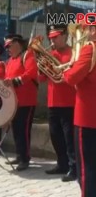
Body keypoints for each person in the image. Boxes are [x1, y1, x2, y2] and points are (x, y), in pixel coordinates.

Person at [62, 21, 96, 197]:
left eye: (90, 29)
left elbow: (72, 78)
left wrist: (68, 70)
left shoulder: (90, 49)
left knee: (87, 168)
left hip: (88, 117)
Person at [40, 25, 77, 182]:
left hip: (68, 102)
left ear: (64, 36)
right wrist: (40, 68)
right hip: (52, 102)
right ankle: (61, 164)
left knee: (69, 137)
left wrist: (61, 70)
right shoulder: (50, 54)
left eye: (55, 37)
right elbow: (42, 79)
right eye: (51, 38)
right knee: (55, 136)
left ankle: (73, 167)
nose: (52, 40)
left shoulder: (73, 53)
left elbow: (73, 74)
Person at [3, 34, 38, 171]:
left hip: (26, 100)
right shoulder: (10, 61)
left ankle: (25, 158)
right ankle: (19, 154)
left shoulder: (27, 55)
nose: (7, 49)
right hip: (14, 101)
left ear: (17, 43)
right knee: (16, 130)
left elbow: (31, 73)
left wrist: (15, 81)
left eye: (8, 45)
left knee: (23, 130)